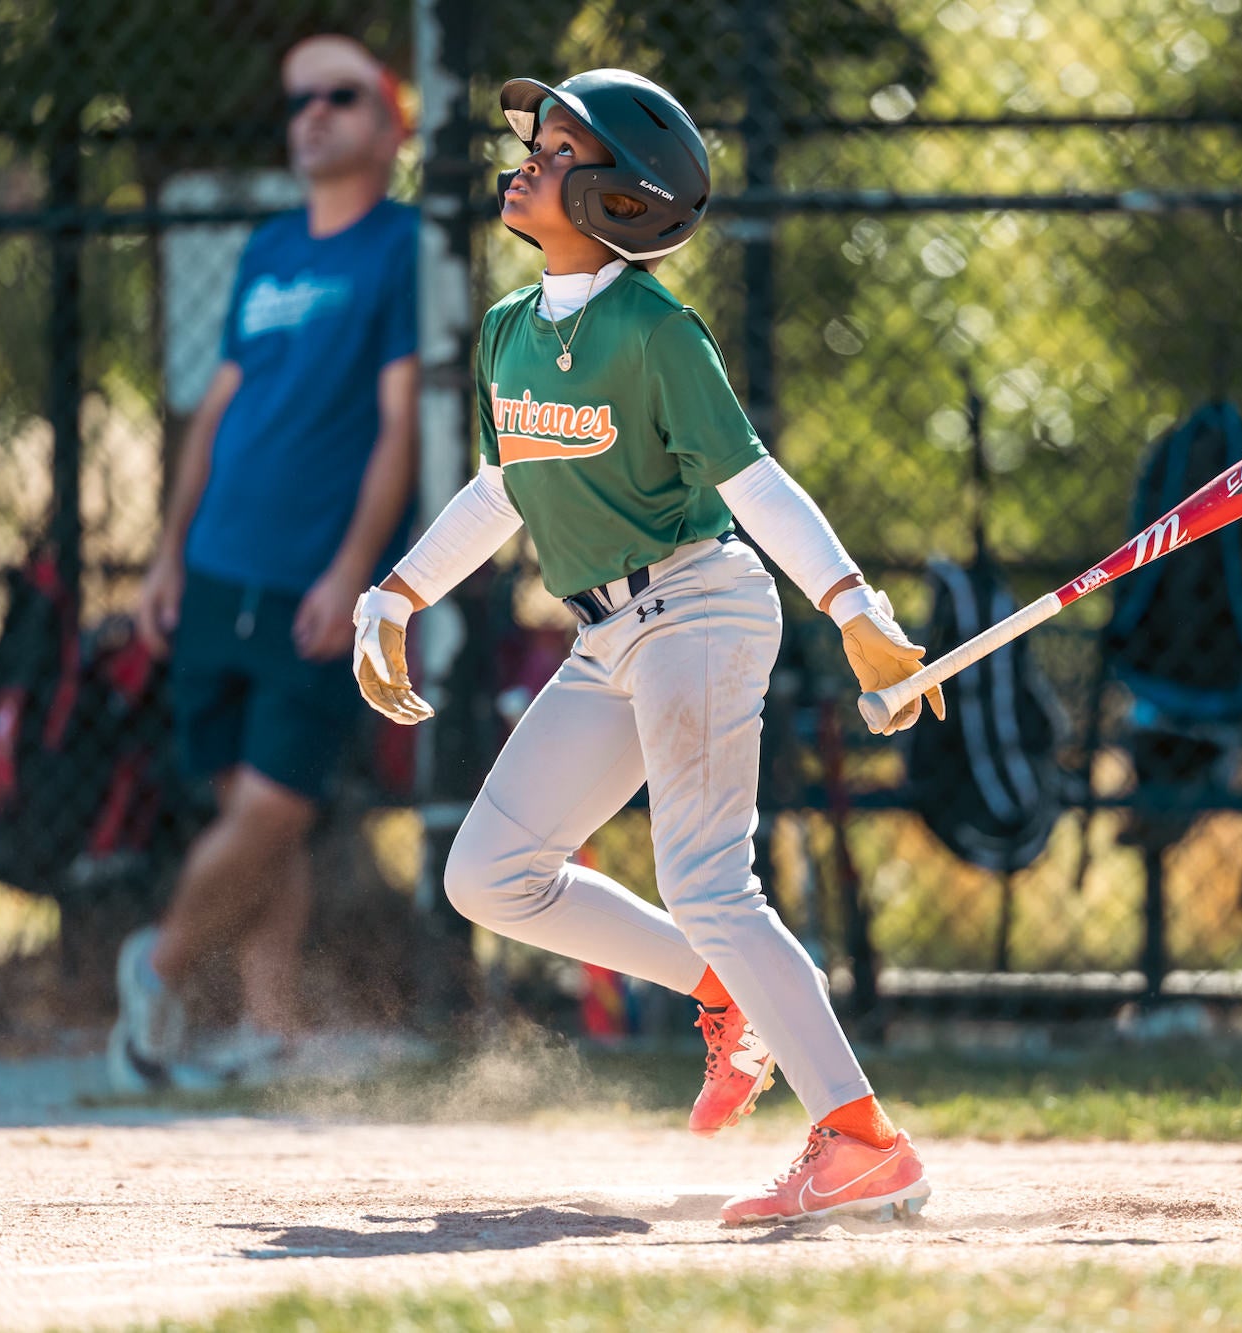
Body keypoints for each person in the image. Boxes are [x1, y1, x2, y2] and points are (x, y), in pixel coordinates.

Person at [349, 68, 942, 1225]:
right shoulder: (511, 332)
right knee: (488, 874)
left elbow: (751, 482)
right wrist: (395, 594)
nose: (526, 155)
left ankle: (861, 1139)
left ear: (623, 198)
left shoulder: (658, 331)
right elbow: (503, 489)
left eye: (561, 148)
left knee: (710, 879)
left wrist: (852, 604)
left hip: (699, 608)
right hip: (604, 636)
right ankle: (724, 987)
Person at [115, 34, 420, 1089]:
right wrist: (167, 554)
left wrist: (352, 571)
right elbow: (217, 411)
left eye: (341, 97)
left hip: (312, 579)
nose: (313, 117)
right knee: (254, 805)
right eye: (298, 101)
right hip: (217, 568)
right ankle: (270, 1022)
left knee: (279, 803)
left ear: (390, 124)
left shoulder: (402, 248)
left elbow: (397, 429)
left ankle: (153, 968)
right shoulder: (266, 250)